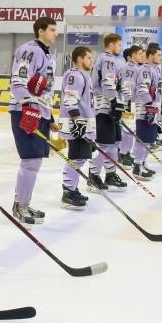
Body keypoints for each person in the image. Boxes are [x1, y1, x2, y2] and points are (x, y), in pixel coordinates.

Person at [7, 16, 57, 225]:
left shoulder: (47, 54)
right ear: (41, 31)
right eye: (52, 30)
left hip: (39, 111)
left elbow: (44, 89)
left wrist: (50, 116)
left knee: (35, 161)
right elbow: (18, 79)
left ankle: (24, 202)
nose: (55, 33)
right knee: (30, 161)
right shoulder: (30, 50)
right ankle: (20, 206)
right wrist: (27, 106)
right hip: (26, 111)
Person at [87, 33, 128, 193]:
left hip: (111, 107)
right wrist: (114, 102)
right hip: (104, 108)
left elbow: (117, 84)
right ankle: (93, 176)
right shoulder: (107, 59)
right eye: (119, 45)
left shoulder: (113, 60)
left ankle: (110, 174)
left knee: (115, 143)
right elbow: (107, 82)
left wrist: (120, 103)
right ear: (111, 45)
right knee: (104, 144)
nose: (121, 48)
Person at [58, 47, 96, 210]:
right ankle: (68, 192)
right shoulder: (75, 75)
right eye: (88, 58)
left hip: (83, 123)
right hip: (76, 124)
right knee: (76, 158)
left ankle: (72, 189)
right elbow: (69, 100)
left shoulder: (84, 75)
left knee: (79, 158)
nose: (91, 61)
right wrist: (78, 120)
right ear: (79, 59)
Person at [130, 43, 161, 179]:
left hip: (153, 109)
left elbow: (157, 90)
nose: (160, 57)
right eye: (158, 55)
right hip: (145, 110)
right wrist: (150, 105)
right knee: (142, 139)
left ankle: (142, 163)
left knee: (148, 140)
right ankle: (137, 166)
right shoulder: (146, 69)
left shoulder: (155, 69)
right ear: (150, 55)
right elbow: (142, 88)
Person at [118, 45, 140, 167]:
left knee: (131, 130)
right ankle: (122, 153)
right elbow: (127, 86)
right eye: (139, 53)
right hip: (128, 102)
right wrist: (127, 103)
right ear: (132, 55)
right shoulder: (129, 68)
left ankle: (125, 152)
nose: (142, 56)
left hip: (133, 102)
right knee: (128, 129)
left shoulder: (136, 67)